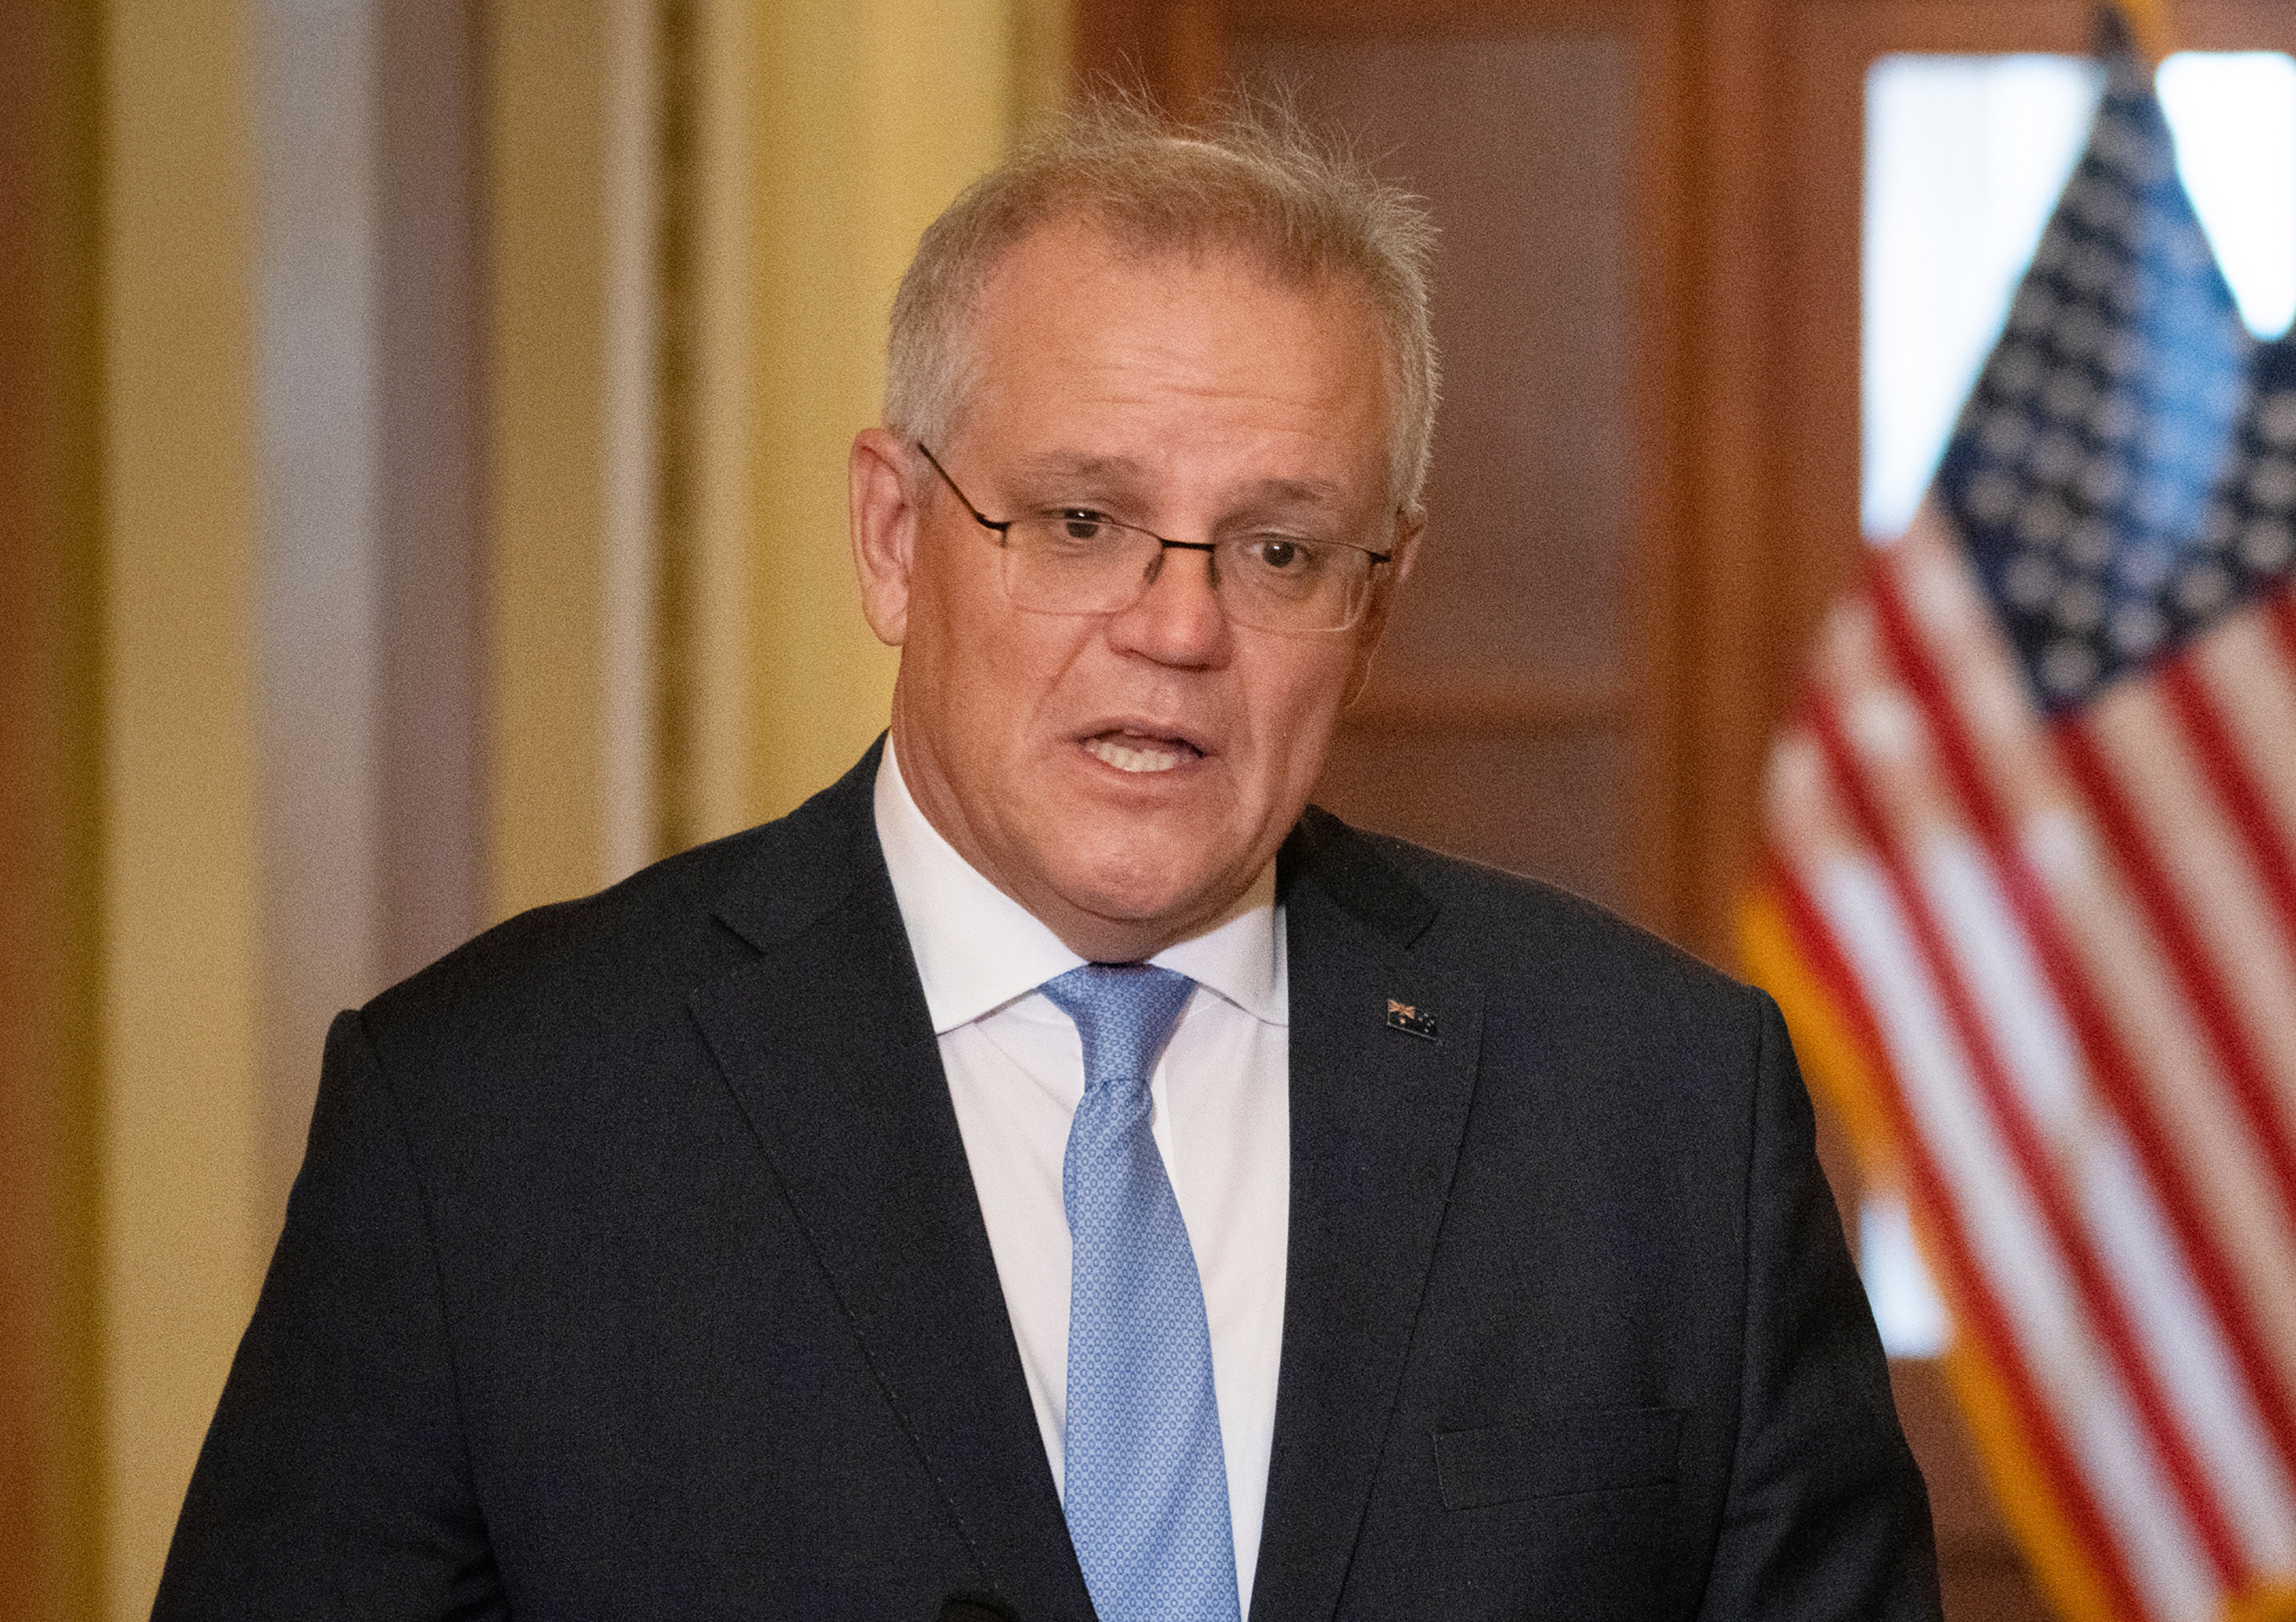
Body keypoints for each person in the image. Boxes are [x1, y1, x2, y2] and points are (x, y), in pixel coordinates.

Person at [154, 100, 1940, 1621]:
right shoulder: (488, 1125)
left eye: (1279, 549)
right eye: (1083, 523)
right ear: (892, 537)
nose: (1178, 629)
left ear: (1377, 601)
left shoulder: (1657, 1117)